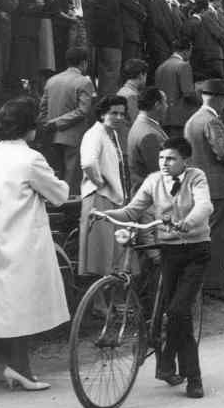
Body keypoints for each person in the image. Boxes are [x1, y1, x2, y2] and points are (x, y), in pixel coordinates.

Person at [102, 137, 212, 399]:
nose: (164, 163)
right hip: (169, 252)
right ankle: (168, 366)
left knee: (178, 311)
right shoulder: (153, 181)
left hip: (195, 251)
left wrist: (188, 222)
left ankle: (191, 376)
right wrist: (105, 215)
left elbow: (204, 205)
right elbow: (132, 211)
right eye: (162, 158)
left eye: (171, 158)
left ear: (185, 161)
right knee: (167, 311)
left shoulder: (196, 177)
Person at [0, 97, 71, 391]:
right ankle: (20, 366)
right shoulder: (30, 159)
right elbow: (59, 194)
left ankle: (14, 365)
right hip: (22, 239)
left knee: (4, 304)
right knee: (23, 305)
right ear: (28, 127)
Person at [183, 79, 224, 301]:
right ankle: (214, 284)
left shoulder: (192, 120)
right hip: (219, 187)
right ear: (219, 99)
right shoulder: (211, 121)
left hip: (201, 185)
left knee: (204, 236)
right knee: (217, 237)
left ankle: (202, 282)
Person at [78, 96, 131, 276]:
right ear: (102, 114)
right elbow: (88, 163)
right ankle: (100, 293)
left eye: (122, 114)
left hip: (111, 197)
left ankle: (110, 291)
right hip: (99, 197)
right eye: (113, 113)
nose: (119, 117)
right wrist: (100, 182)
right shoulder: (94, 134)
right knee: (101, 254)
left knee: (113, 250)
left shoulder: (111, 134)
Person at [38, 47, 95, 195]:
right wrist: (58, 123)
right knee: (72, 181)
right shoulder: (84, 82)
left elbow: (42, 110)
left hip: (52, 136)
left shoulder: (51, 81)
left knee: (55, 177)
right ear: (84, 63)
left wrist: (49, 125)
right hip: (74, 137)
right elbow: (83, 111)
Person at [127, 87, 169, 193]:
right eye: (165, 102)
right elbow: (160, 172)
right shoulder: (149, 134)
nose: (167, 106)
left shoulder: (141, 125)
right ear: (157, 105)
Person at [154, 39, 196, 138]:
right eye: (191, 51)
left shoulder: (160, 67)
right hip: (179, 119)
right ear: (186, 51)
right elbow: (188, 93)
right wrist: (202, 101)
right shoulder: (184, 66)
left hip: (162, 117)